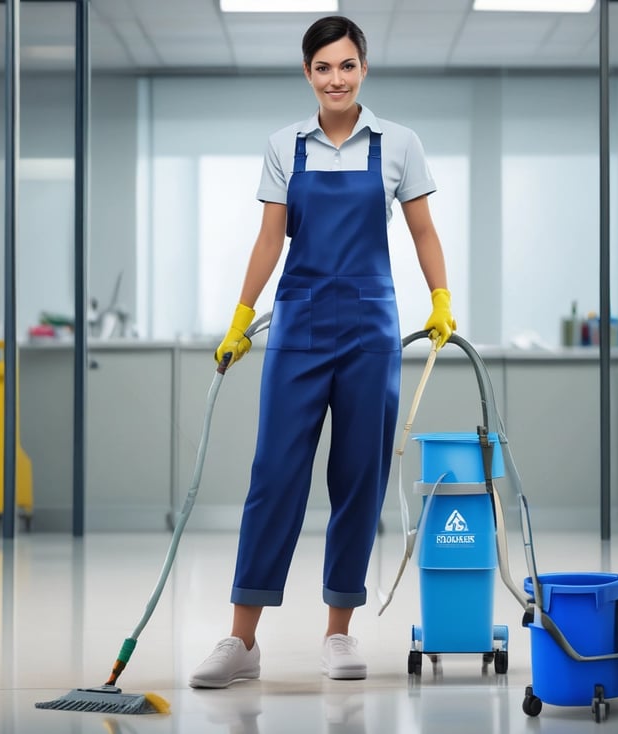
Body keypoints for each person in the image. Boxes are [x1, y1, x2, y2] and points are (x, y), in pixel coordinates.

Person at [189, 15, 455, 689]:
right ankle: (242, 640)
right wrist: (241, 316)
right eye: (322, 67)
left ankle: (339, 632)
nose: (336, 79)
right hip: (298, 325)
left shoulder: (399, 144)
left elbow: (423, 231)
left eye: (347, 65)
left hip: (369, 329)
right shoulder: (285, 145)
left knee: (358, 478)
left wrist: (440, 298)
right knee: (274, 476)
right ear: (307, 74)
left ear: (364, 68)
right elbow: (269, 239)